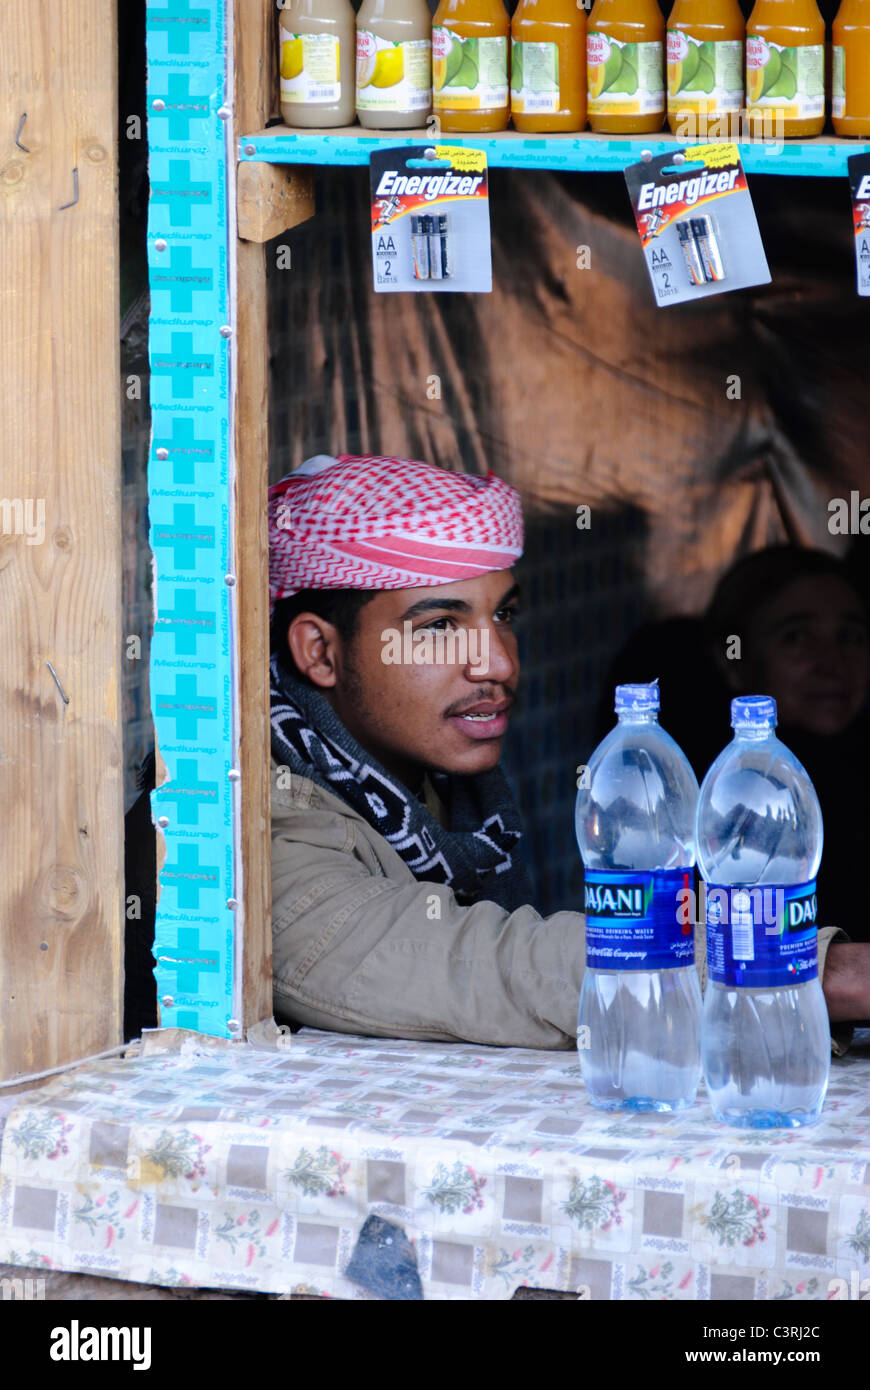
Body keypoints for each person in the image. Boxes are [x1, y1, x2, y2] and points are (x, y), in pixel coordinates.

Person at [269, 455, 866, 1049]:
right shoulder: (253, 822)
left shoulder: (446, 793)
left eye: (503, 615)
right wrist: (813, 968)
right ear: (321, 653)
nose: (499, 663)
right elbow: (477, 965)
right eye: (440, 627)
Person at [706, 545, 870, 944]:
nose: (831, 662)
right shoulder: (727, 793)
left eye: (849, 637)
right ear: (735, 662)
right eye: (796, 638)